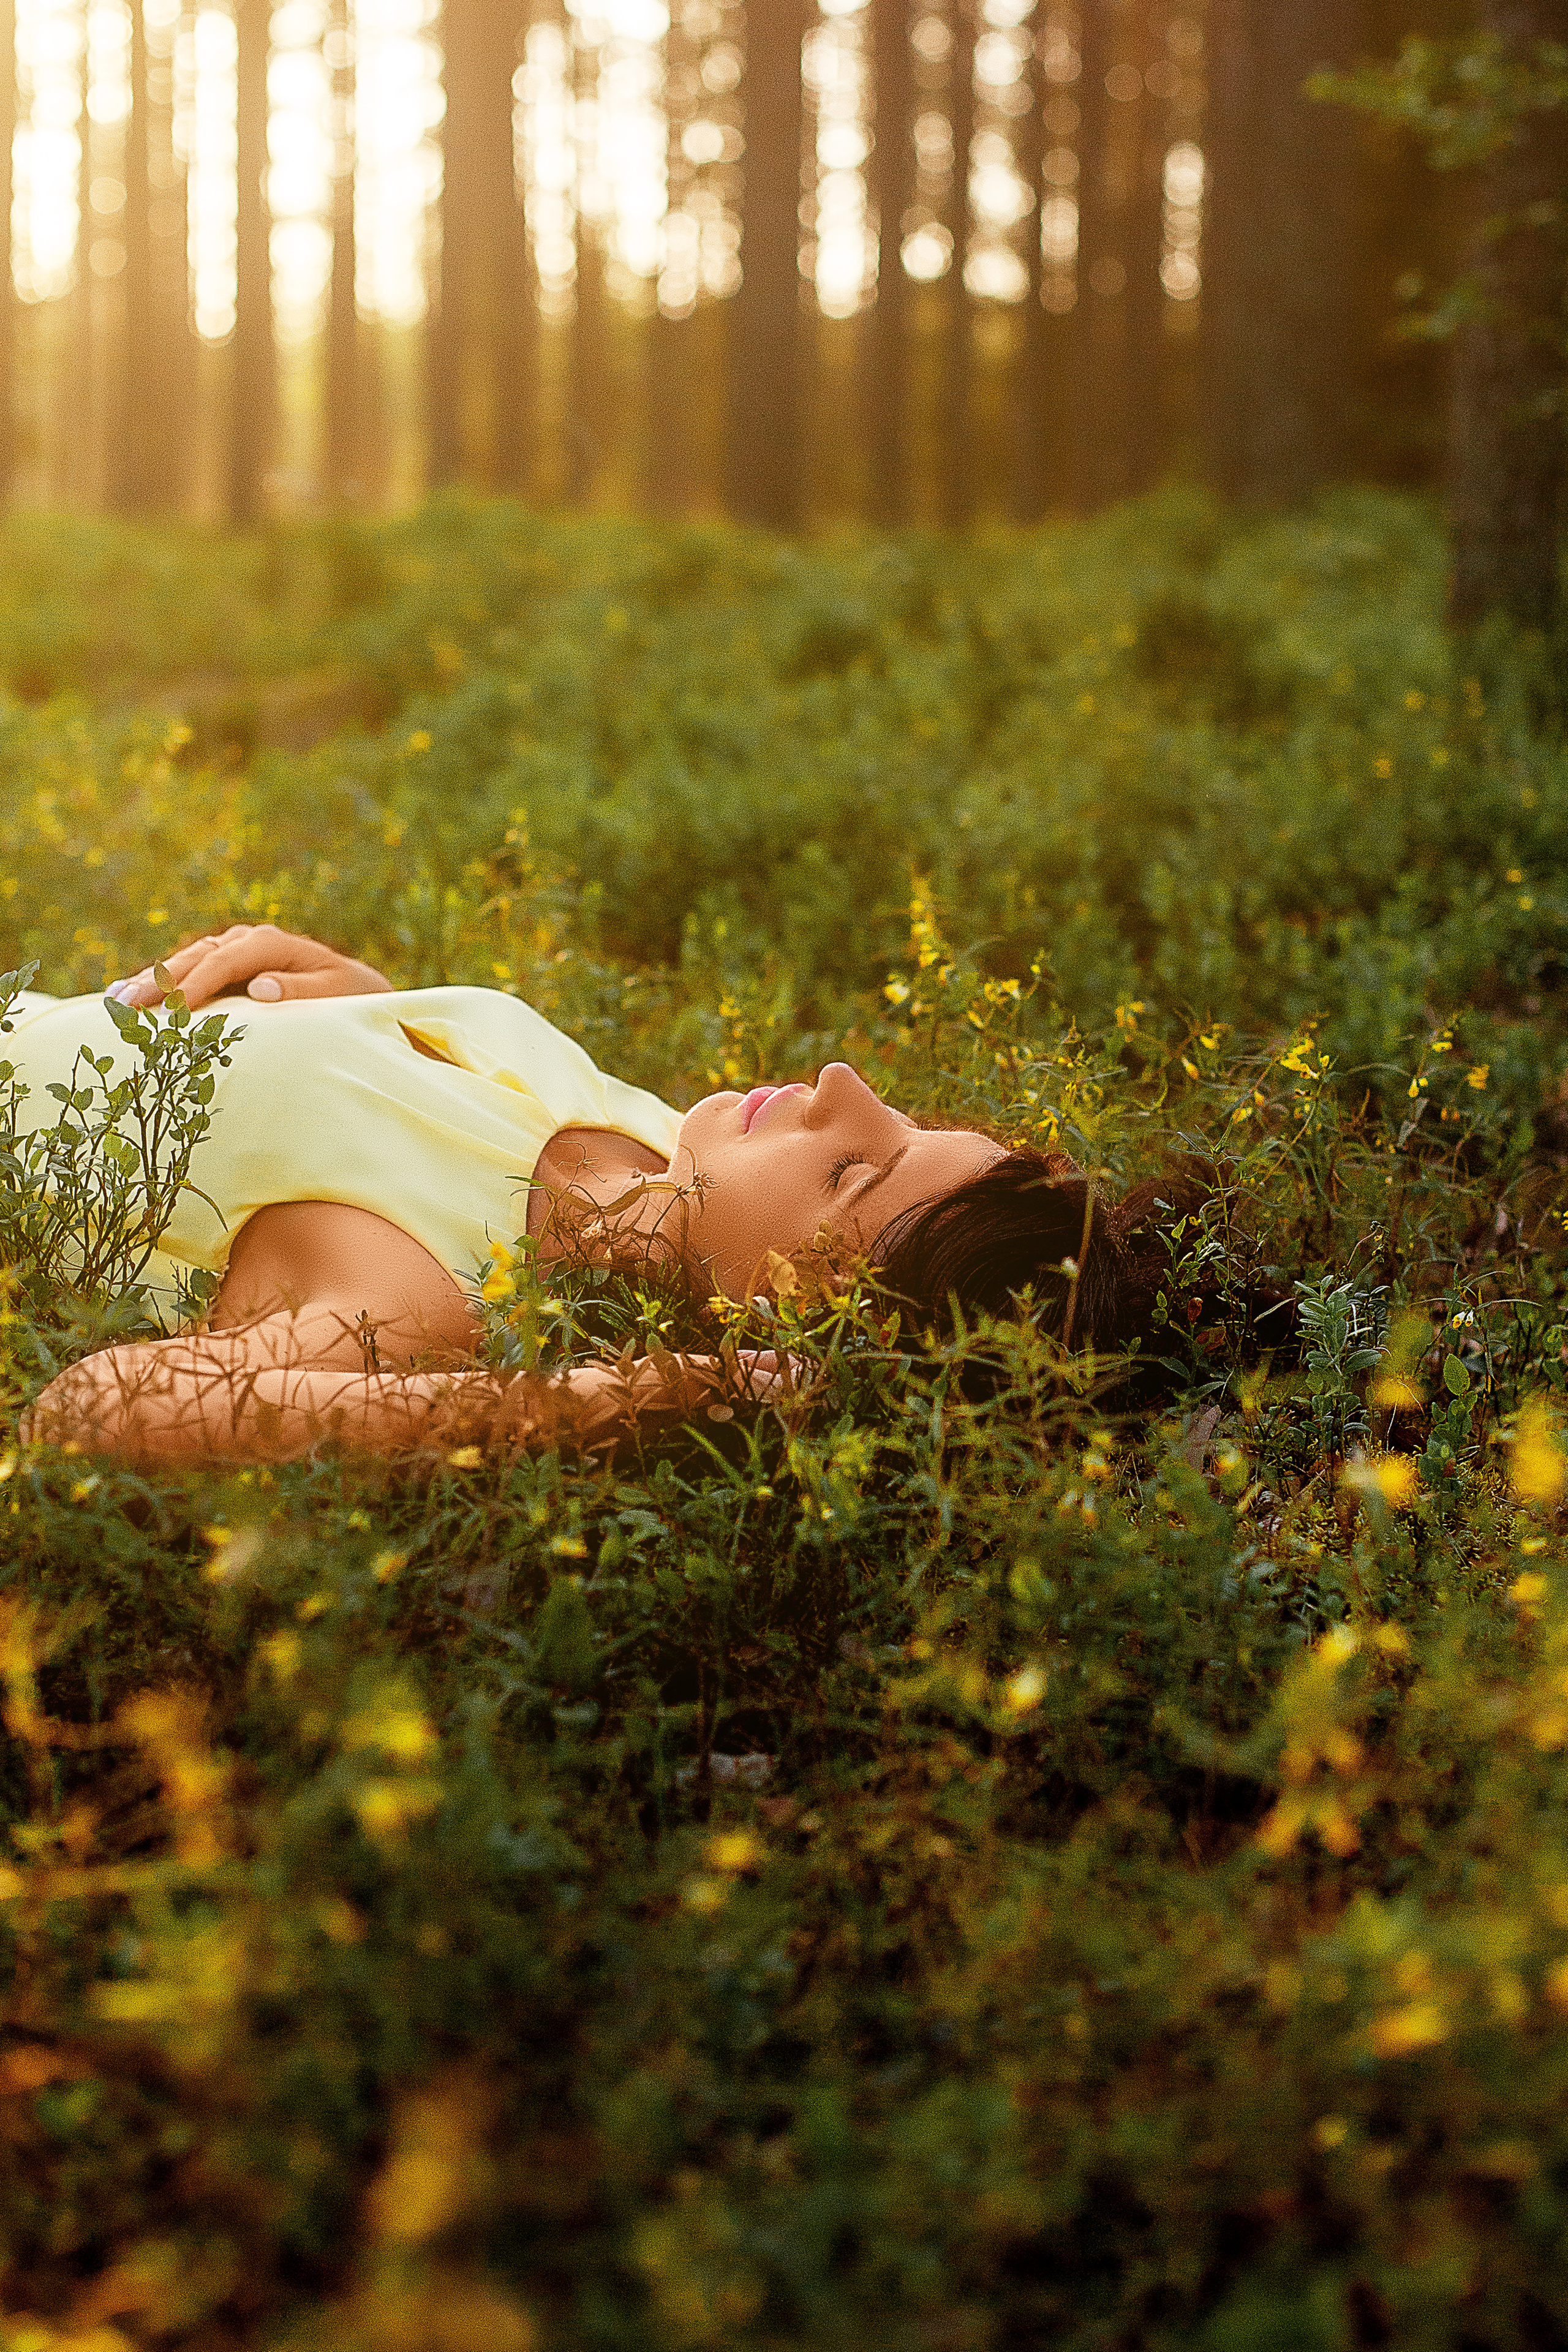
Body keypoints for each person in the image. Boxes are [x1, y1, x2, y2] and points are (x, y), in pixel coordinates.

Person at [12, 924, 1180, 1468]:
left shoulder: (428, 1299)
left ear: (770, 1325)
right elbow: (411, 1127)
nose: (844, 1084)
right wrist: (355, 1009)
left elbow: (88, 1414)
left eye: (854, 1172)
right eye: (914, 1124)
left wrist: (612, 1400)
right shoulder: (656, 1147)